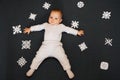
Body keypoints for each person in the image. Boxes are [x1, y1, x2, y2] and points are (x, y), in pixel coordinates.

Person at [24, 9, 84, 79]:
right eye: (51, 17)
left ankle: (68, 70)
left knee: (63, 58)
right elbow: (38, 27)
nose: (52, 20)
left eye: (56, 18)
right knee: (38, 57)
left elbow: (69, 29)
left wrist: (77, 32)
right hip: (45, 46)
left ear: (60, 20)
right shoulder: (46, 25)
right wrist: (30, 29)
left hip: (57, 47)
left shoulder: (61, 26)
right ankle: (32, 68)